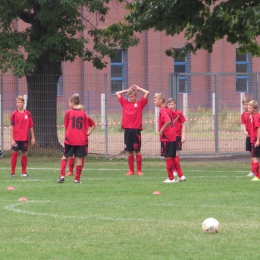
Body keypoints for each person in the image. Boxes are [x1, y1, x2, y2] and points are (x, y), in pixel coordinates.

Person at [116, 84, 149, 176]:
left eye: (132, 96)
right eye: (129, 97)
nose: (130, 98)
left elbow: (147, 93)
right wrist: (128, 90)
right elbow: (117, 93)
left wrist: (138, 88)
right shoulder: (125, 103)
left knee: (137, 150)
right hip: (127, 131)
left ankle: (139, 170)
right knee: (129, 150)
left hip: (136, 131)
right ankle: (131, 170)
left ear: (135, 96)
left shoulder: (139, 104)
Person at [154, 93, 186, 183]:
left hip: (166, 137)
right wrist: (171, 127)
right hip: (172, 135)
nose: (154, 102)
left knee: (168, 157)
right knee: (173, 156)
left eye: (155, 100)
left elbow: (168, 121)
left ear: (160, 101)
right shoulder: (168, 109)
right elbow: (175, 116)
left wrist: (161, 130)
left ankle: (171, 178)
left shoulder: (162, 110)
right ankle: (181, 175)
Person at [57, 94, 89, 184]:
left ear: (72, 103)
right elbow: (86, 128)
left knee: (65, 156)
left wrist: (66, 136)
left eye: (69, 102)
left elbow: (66, 126)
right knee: (79, 158)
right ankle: (77, 179)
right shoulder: (83, 114)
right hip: (80, 140)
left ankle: (62, 176)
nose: (68, 104)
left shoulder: (68, 112)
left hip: (70, 139)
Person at [65, 104, 95, 176]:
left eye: (82, 110)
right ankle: (70, 172)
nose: (80, 111)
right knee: (71, 155)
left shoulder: (86, 118)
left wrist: (89, 132)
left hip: (83, 140)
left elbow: (93, 124)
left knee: (80, 156)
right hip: (74, 139)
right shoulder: (74, 116)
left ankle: (79, 172)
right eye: (79, 109)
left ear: (84, 111)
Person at [10, 95, 36, 177]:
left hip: (24, 138)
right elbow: (12, 127)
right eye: (18, 102)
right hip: (16, 138)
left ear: (24, 103)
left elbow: (31, 126)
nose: (20, 104)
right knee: (14, 153)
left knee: (24, 154)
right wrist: (12, 139)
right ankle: (13, 173)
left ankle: (23, 172)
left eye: (21, 102)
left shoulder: (27, 114)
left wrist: (33, 137)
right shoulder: (13, 114)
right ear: (16, 104)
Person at [167, 98, 186, 180]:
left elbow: (183, 125)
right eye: (169, 104)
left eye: (172, 104)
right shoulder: (167, 113)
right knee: (171, 154)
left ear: (175, 105)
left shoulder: (179, 113)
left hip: (177, 136)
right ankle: (176, 171)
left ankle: (176, 171)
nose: (171, 106)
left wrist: (183, 136)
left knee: (175, 153)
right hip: (169, 136)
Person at [241, 97, 254, 177]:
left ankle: (254, 171)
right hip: (249, 137)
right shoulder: (243, 115)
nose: (245, 106)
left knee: (255, 155)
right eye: (244, 104)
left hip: (255, 137)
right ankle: (253, 170)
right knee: (252, 154)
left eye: (246, 104)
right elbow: (243, 124)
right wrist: (245, 131)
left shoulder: (254, 114)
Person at [247, 100, 260, 181]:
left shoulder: (256, 117)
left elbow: (258, 128)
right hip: (253, 139)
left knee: (254, 157)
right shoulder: (253, 116)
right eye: (248, 108)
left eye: (250, 108)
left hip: (255, 140)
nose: (248, 109)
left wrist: (258, 140)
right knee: (254, 157)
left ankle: (258, 176)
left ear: (255, 109)